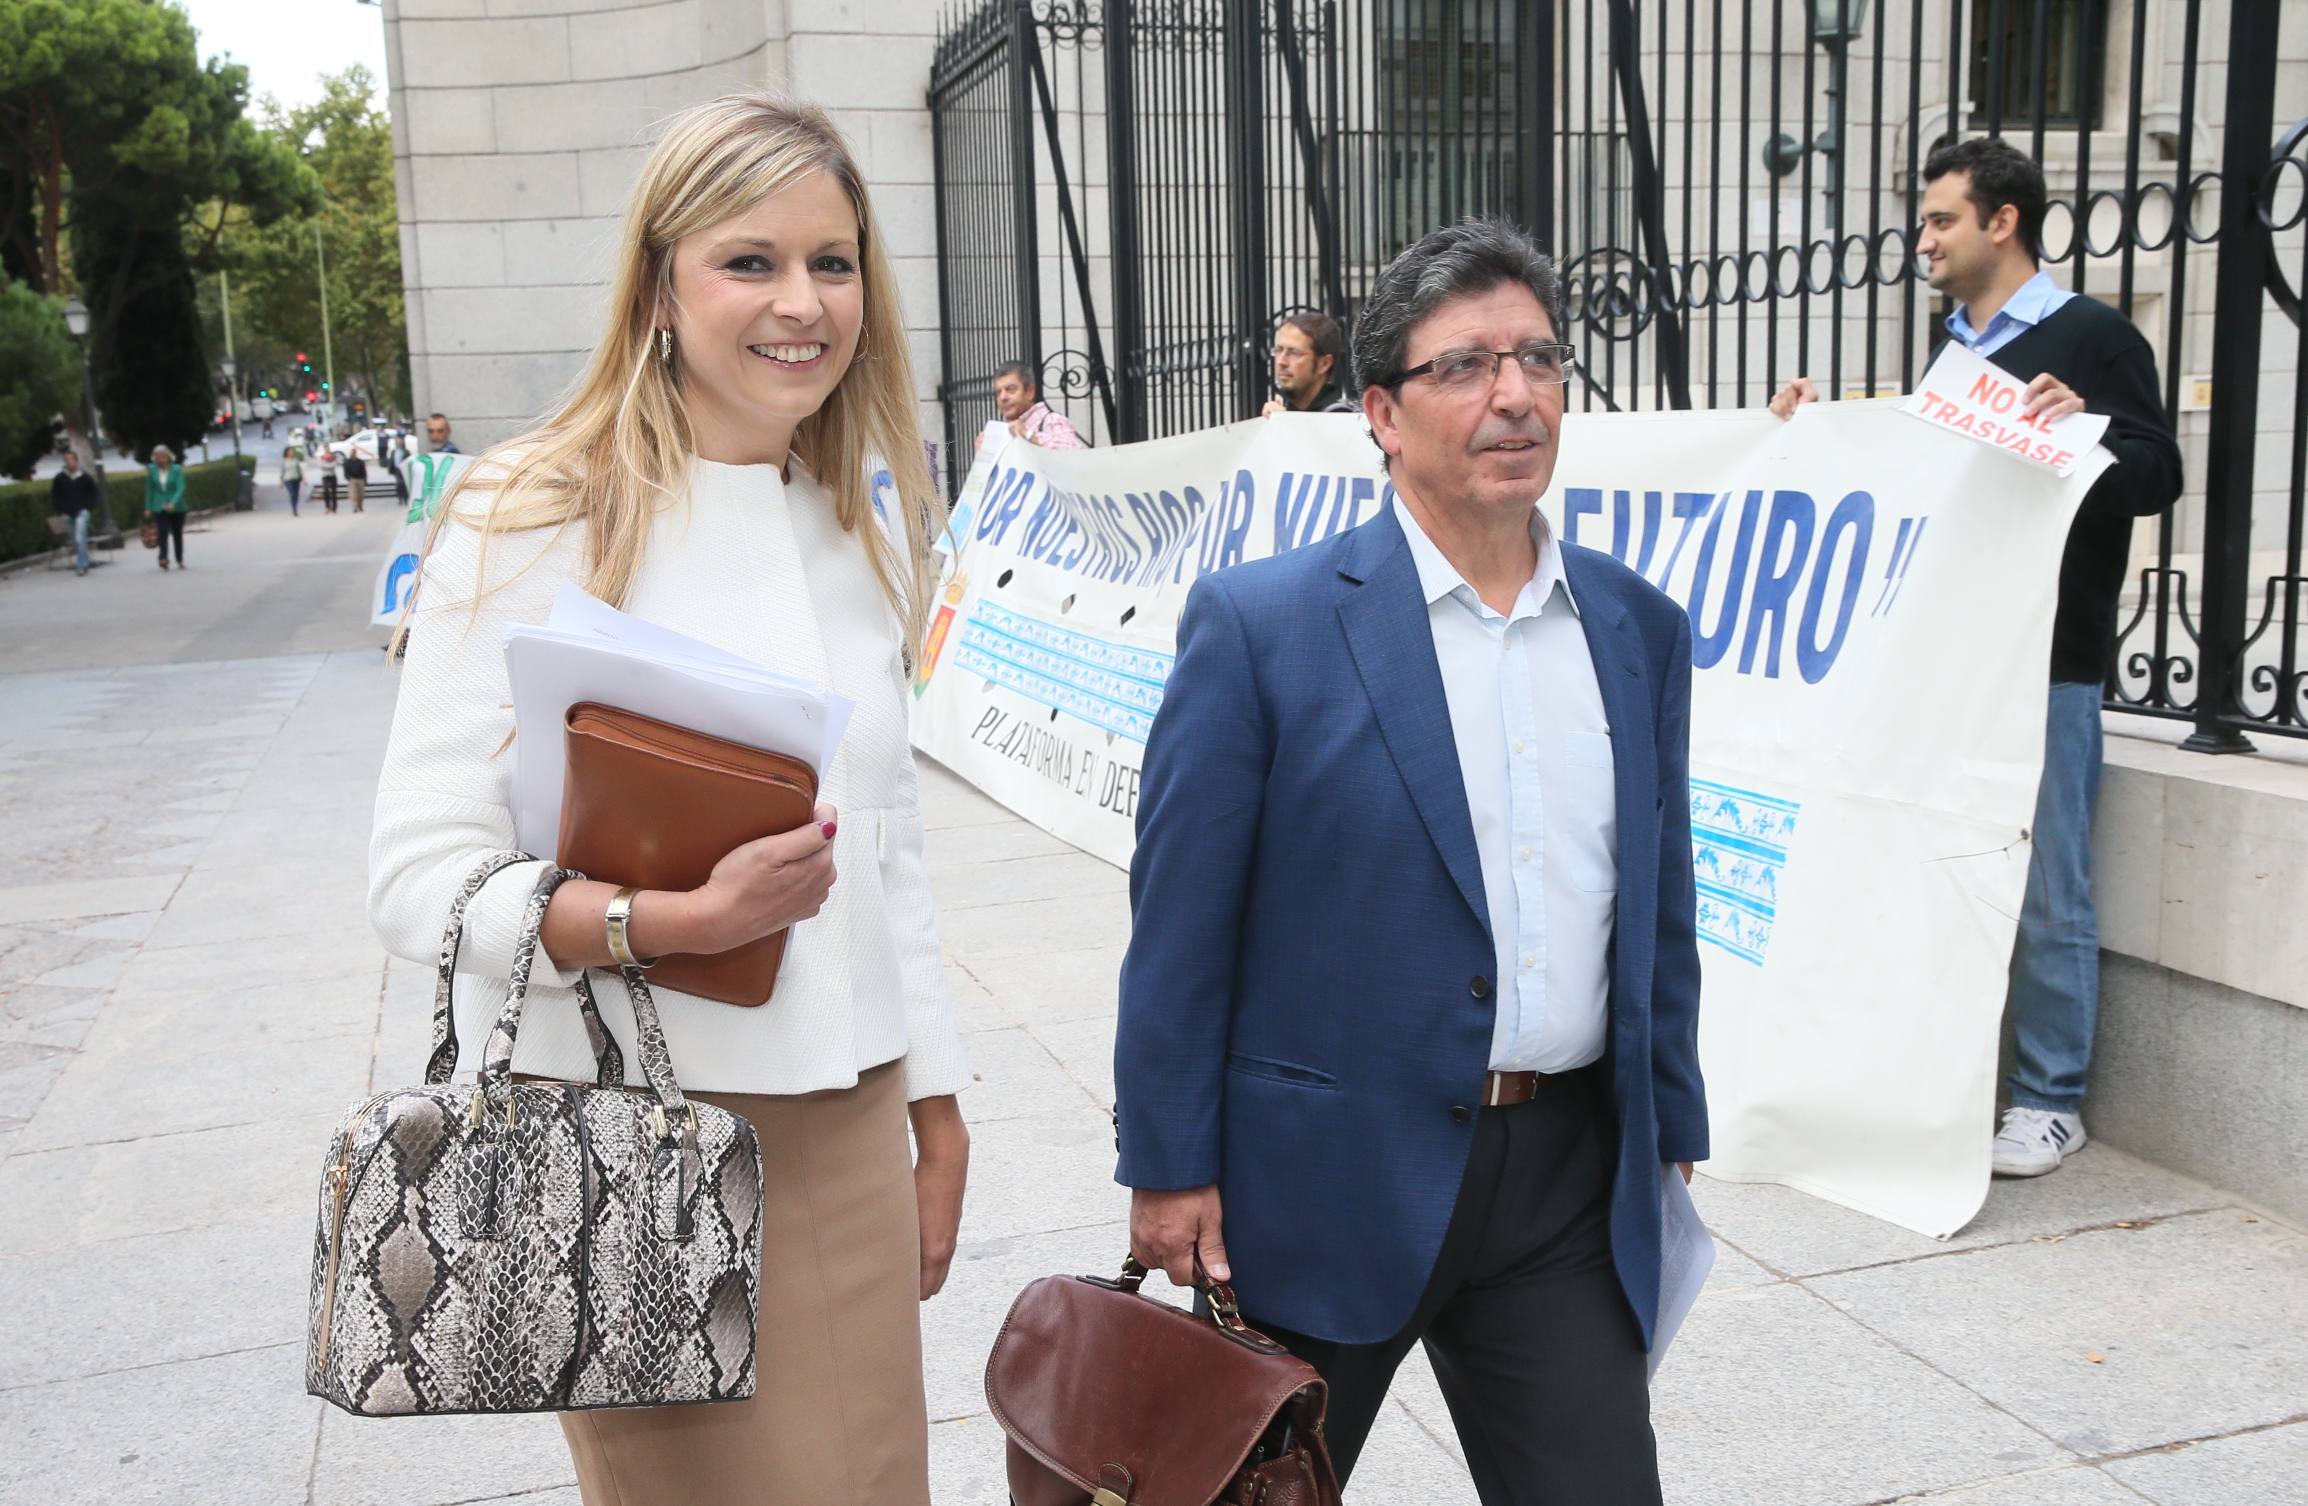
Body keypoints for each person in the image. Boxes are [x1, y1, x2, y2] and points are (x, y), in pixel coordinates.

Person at [367, 93, 969, 1506]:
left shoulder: (854, 520)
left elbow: (888, 850)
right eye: (750, 260)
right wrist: (666, 920)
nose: (803, 302)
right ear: (658, 289)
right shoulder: (531, 509)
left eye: (833, 262)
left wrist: (936, 1100)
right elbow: (415, 874)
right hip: (633, 1134)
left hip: (851, 1119)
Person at [1116, 218, 1703, 1506]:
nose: (1515, 395)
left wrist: (1672, 1119)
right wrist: (1167, 1163)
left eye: (1538, 358)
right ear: (1380, 412)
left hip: (1562, 1182)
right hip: (1323, 1178)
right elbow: (1180, 922)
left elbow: (1657, 899)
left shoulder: (1634, 627)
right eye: (1466, 366)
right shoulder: (1263, 625)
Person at [1770, 137, 2182, 1180]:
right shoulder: (1949, 348)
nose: (1924, 240)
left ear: (2003, 222)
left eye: (1941, 219)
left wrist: (2084, 430)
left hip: (2046, 661)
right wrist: (1811, 435)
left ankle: (2049, 1097)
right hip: (1948, 658)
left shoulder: (2094, 336)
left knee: (2047, 886)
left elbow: (2157, 473)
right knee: (1934, 861)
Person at [1259, 310, 1354, 416]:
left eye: (1294, 353)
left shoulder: (1341, 418)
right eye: (1278, 350)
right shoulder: (1279, 413)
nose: (1281, 361)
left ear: (1324, 364)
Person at [976, 360, 1082, 450]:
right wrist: (983, 455)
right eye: (998, 392)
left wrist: (1028, 436)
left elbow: (1073, 455)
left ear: (1030, 391)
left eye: (1011, 389)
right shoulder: (1004, 431)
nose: (1003, 397)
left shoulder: (1052, 420)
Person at [51, 447, 99, 575]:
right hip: (67, 514)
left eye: (72, 459)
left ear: (76, 460)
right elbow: (55, 496)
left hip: (82, 512)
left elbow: (94, 493)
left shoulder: (85, 477)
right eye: (67, 459)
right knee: (75, 540)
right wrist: (61, 509)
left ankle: (81, 565)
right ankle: (84, 558)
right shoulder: (60, 478)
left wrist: (88, 506)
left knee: (79, 537)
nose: (70, 462)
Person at [145, 444, 187, 569]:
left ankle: (179, 558)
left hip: (176, 507)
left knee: (177, 533)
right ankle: (163, 558)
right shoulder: (152, 469)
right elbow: (150, 489)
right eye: (158, 457)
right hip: (159, 505)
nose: (160, 459)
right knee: (162, 531)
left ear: (168, 457)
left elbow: (181, 487)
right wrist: (148, 507)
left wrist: (173, 502)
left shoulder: (176, 469)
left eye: (163, 456)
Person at [343, 446, 368, 512]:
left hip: (360, 479)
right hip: (352, 479)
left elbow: (364, 471)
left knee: (361, 494)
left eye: (353, 453)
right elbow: (345, 471)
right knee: (353, 494)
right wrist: (348, 478)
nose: (352, 455)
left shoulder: (360, 462)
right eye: (351, 453)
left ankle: (360, 506)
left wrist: (365, 479)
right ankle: (355, 507)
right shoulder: (347, 462)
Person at [281, 445, 305, 514]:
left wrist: (302, 478)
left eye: (292, 451)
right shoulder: (284, 461)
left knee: (296, 494)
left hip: (296, 478)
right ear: (287, 452)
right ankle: (294, 509)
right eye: (290, 451)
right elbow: (282, 471)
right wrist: (281, 481)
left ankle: (295, 506)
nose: (292, 452)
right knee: (292, 494)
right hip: (288, 479)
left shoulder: (295, 460)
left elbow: (299, 470)